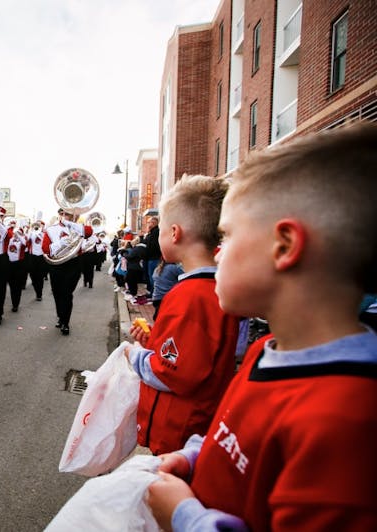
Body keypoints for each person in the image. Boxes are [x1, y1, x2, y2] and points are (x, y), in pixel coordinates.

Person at [146, 123, 377, 531]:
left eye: (227, 235)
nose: (217, 251)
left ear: (284, 247)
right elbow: (231, 433)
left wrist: (185, 518)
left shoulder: (347, 419)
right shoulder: (265, 349)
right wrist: (196, 455)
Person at [126, 174, 240, 456]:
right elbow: (196, 353)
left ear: (174, 233)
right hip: (198, 425)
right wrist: (155, 340)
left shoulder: (188, 295)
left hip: (179, 433)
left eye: (161, 229)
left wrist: (134, 355)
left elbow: (172, 375)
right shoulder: (217, 289)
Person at [42, 208, 93, 336]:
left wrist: (70, 224)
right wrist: (60, 243)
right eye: (64, 214)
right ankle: (61, 316)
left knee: (66, 293)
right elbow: (45, 249)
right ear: (60, 214)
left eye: (70, 214)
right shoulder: (51, 229)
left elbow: (89, 232)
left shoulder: (78, 228)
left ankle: (65, 322)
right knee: (57, 293)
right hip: (57, 264)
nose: (67, 216)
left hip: (73, 264)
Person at [6, 219, 27, 313]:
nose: (15, 234)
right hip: (10, 265)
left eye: (18, 233)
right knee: (11, 285)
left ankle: (15, 304)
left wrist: (19, 234)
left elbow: (25, 243)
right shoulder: (10, 239)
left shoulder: (22, 240)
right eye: (15, 233)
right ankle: (14, 302)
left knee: (17, 287)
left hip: (19, 265)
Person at [26, 219, 47, 301]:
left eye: (40, 225)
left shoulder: (44, 234)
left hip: (41, 257)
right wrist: (31, 232)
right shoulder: (32, 233)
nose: (38, 226)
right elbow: (27, 240)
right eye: (37, 225)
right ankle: (36, 288)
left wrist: (40, 233)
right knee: (32, 275)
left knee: (40, 276)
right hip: (32, 256)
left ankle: (39, 294)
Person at [142, 216, 161, 296]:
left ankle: (153, 293)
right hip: (149, 258)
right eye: (148, 222)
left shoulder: (156, 232)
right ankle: (150, 291)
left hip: (154, 258)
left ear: (155, 223)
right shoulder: (151, 233)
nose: (149, 224)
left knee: (152, 277)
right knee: (149, 276)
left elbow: (152, 246)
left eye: (150, 222)